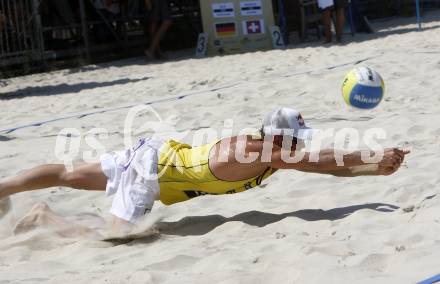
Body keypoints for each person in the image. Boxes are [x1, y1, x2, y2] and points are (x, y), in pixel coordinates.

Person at [0, 107, 409, 234]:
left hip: (158, 154)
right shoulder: (267, 152)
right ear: (278, 137)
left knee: (68, 175)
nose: (301, 143)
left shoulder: (266, 146)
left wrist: (373, 164)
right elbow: (325, 164)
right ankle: (43, 216)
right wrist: (374, 163)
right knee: (117, 239)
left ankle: (3, 189)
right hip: (152, 174)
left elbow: (320, 157)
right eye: (297, 137)